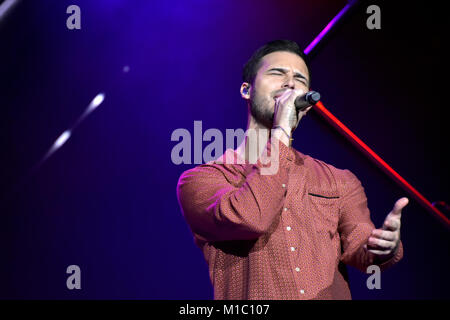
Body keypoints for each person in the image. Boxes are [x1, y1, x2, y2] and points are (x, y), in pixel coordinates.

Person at [176, 39, 407, 300]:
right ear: (246, 90)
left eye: (299, 78)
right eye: (277, 73)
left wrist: (385, 247)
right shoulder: (202, 179)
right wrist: (281, 130)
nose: (290, 83)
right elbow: (252, 218)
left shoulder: (339, 180)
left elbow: (364, 255)